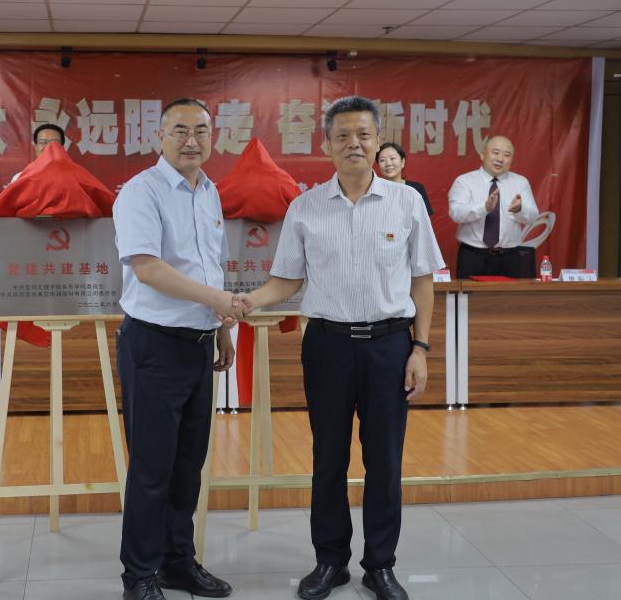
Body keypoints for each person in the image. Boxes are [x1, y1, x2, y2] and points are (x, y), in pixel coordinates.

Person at [239, 97, 444, 600]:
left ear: (378, 141)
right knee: (327, 458)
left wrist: (420, 349)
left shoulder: (406, 202)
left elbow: (423, 280)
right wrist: (245, 302)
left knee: (384, 461)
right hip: (327, 346)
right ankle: (330, 561)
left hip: (390, 346)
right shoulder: (305, 207)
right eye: (343, 135)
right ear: (326, 144)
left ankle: (380, 565)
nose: (354, 143)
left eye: (364, 135)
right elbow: (287, 281)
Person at [113, 98, 241, 600]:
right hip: (154, 344)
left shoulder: (209, 191)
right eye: (181, 130)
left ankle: (177, 563)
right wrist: (218, 301)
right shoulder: (140, 191)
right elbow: (148, 268)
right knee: (152, 468)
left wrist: (221, 323)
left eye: (201, 131)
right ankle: (139, 577)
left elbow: (212, 265)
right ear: (160, 136)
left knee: (188, 464)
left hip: (199, 344)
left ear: (213, 137)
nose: (192, 140)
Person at [447, 135, 539, 279]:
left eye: (507, 155)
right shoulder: (464, 181)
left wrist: (519, 209)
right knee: (470, 294)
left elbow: (533, 216)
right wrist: (484, 207)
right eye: (496, 153)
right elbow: (456, 213)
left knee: (511, 295)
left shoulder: (520, 182)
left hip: (510, 257)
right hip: (473, 256)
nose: (500, 159)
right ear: (482, 154)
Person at [376, 142, 433, 215]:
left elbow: (424, 219)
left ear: (402, 162)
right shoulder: (374, 190)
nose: (388, 164)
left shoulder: (416, 189)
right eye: (382, 160)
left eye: (392, 158)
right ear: (378, 165)